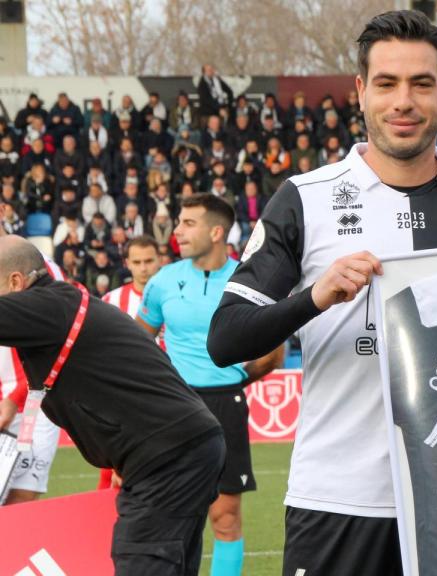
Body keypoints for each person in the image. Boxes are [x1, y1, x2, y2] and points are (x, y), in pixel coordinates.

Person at [206, 11, 437, 575]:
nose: (403, 101)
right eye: (386, 83)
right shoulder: (304, 198)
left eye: (421, 83)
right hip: (339, 501)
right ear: (360, 91)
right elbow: (226, 340)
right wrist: (314, 297)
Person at [0, 235, 225, 576]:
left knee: (139, 560)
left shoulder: (46, 307)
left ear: (16, 282)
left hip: (169, 455)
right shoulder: (59, 306)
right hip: (173, 449)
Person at [137, 194, 283, 576]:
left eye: (188, 223)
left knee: (225, 517)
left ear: (216, 231)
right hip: (173, 406)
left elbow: (272, 354)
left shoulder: (247, 281)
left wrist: (230, 380)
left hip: (224, 405)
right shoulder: (163, 281)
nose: (177, 231)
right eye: (179, 222)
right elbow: (137, 344)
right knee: (169, 516)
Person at [0, 225, 64, 506]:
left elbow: (55, 337)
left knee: (21, 500)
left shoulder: (40, 267)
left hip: (32, 403)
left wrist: (14, 399)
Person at [95, 234, 163, 490]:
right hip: (121, 397)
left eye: (149, 261)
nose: (144, 268)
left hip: (164, 395)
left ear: (160, 261)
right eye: (137, 262)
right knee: (111, 467)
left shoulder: (174, 297)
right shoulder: (111, 302)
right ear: (127, 263)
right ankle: (103, 525)